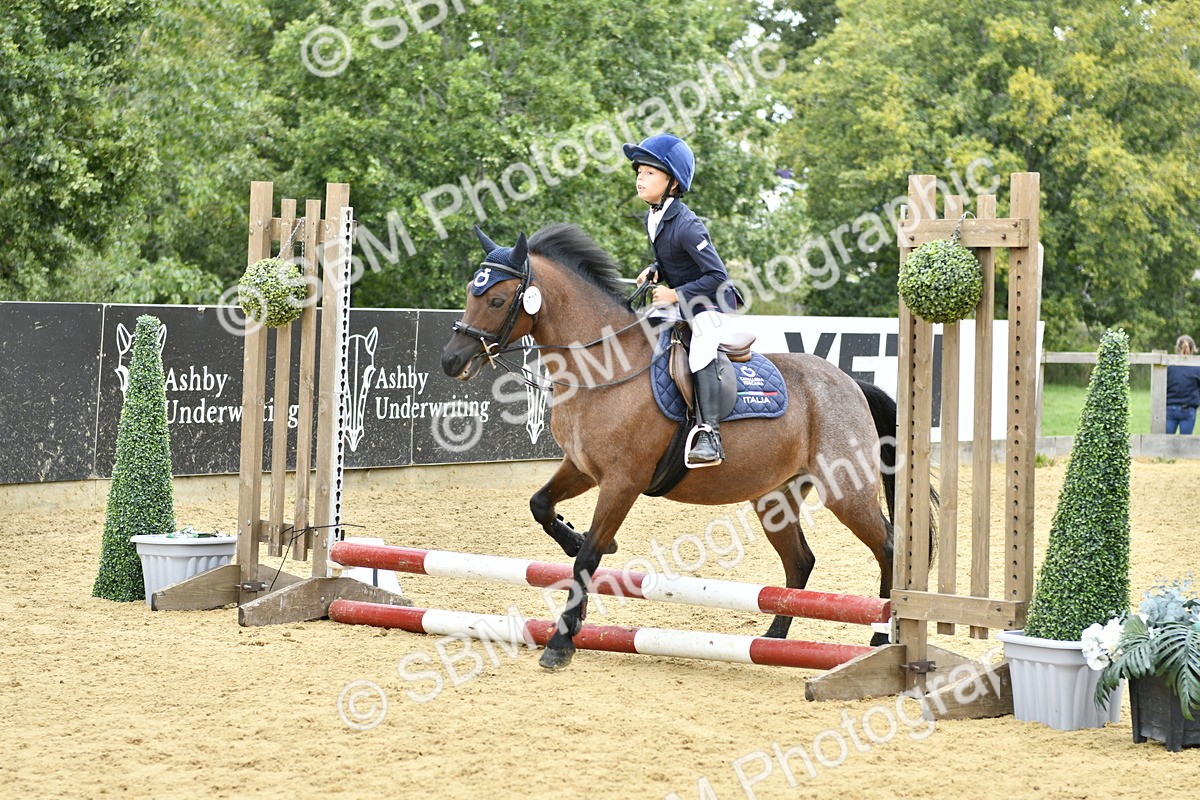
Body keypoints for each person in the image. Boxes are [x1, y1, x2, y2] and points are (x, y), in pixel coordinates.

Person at [625, 133, 743, 466]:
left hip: (711, 303)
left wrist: (676, 293)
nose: (640, 178)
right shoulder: (654, 216)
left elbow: (717, 276)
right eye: (639, 172)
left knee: (702, 346)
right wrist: (655, 270)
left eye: (649, 173)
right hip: (681, 300)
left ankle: (709, 433)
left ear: (672, 183)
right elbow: (673, 259)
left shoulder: (689, 226)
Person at [1166, 334, 1200, 434]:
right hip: (1189, 409)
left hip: (1170, 408)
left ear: (1177, 348)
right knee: (1186, 445)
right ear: (1193, 349)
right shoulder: (1197, 368)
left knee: (1165, 444)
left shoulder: (1169, 367)